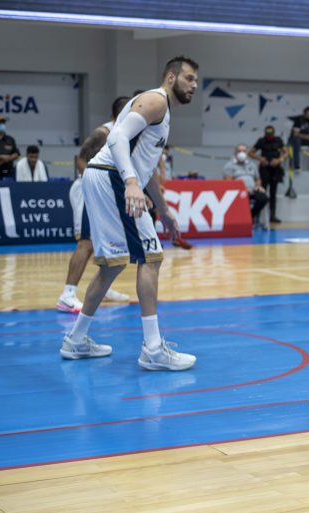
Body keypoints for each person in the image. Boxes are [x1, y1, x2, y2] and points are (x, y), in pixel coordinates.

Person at [60, 56, 199, 371]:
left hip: (104, 175)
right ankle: (153, 349)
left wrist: (164, 210)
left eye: (195, 81)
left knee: (112, 265)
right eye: (189, 78)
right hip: (111, 175)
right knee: (151, 257)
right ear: (171, 77)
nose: (194, 85)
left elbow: (145, 168)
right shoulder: (156, 101)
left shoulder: (162, 112)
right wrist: (131, 183)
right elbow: (116, 137)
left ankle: (76, 340)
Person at [56, 96, 132, 313]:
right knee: (86, 243)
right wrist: (94, 182)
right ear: (121, 114)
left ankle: (103, 287)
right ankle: (67, 295)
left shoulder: (125, 134)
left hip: (104, 191)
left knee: (105, 241)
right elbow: (80, 160)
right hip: (87, 189)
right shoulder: (103, 133)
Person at [249, 126, 288, 224]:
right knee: (262, 192)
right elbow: (250, 153)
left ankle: (272, 215)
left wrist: (279, 160)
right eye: (267, 134)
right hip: (264, 169)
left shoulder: (278, 140)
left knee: (273, 193)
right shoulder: (261, 141)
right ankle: (257, 216)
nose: (269, 136)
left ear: (273, 133)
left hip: (275, 169)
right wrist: (260, 159)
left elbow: (286, 153)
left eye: (271, 134)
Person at [224, 143, 268, 225]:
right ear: (235, 153)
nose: (242, 153)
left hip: (253, 190)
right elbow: (228, 181)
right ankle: (244, 219)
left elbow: (257, 179)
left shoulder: (252, 165)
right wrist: (242, 188)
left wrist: (258, 186)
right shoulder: (229, 165)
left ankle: (251, 216)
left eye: (244, 151)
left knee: (263, 198)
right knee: (243, 198)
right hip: (238, 191)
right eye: (239, 151)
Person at [0, 115, 20, 180]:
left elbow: (16, 154)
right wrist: (0, 157)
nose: (2, 125)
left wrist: (7, 159)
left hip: (8, 173)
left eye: (3, 123)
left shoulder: (10, 139)